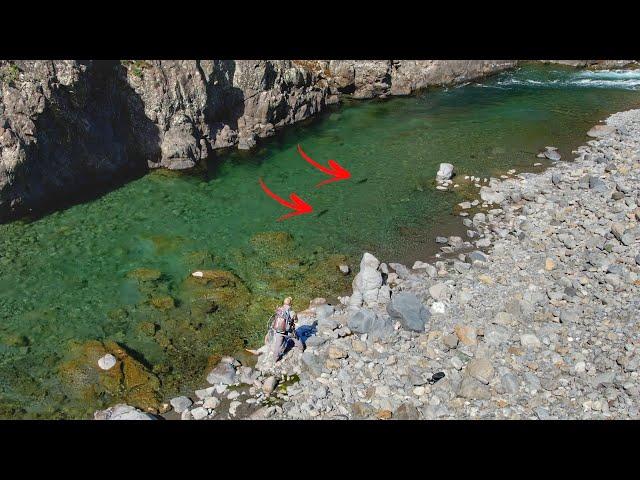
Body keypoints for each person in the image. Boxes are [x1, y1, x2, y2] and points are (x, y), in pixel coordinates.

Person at [267, 297, 304, 362]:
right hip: (288, 331)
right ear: (290, 303)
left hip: (278, 330)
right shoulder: (291, 311)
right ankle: (301, 349)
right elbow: (296, 321)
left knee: (278, 345)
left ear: (284, 303)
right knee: (296, 337)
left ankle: (275, 359)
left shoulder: (279, 309)